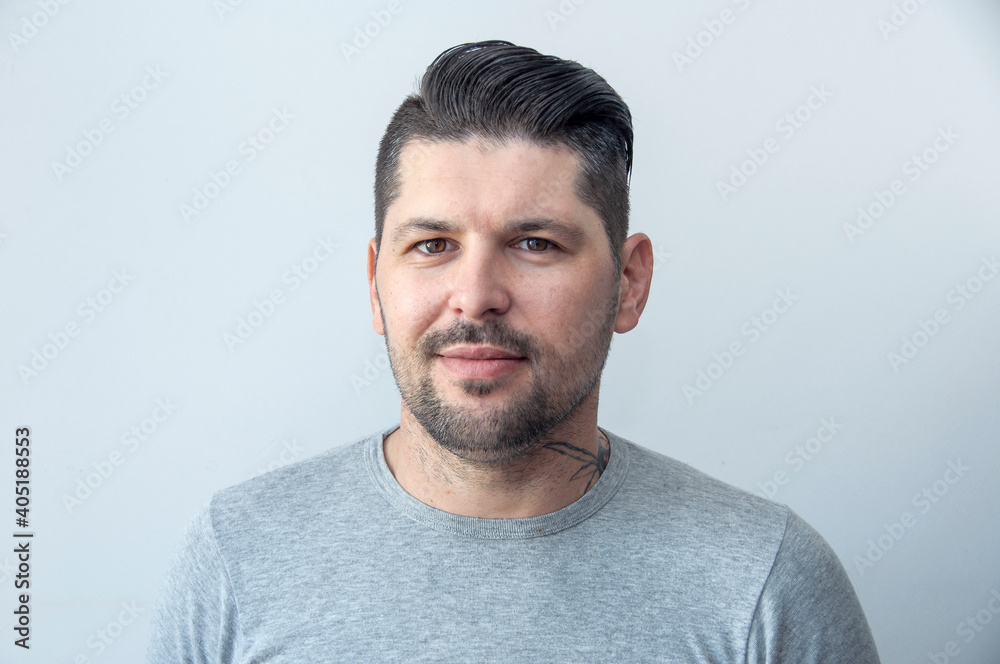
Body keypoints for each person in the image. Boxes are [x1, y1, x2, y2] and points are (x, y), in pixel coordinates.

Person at [147, 40, 881, 662]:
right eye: (432, 245)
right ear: (376, 285)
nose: (476, 295)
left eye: (535, 244)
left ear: (629, 284)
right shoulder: (237, 557)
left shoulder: (764, 582)